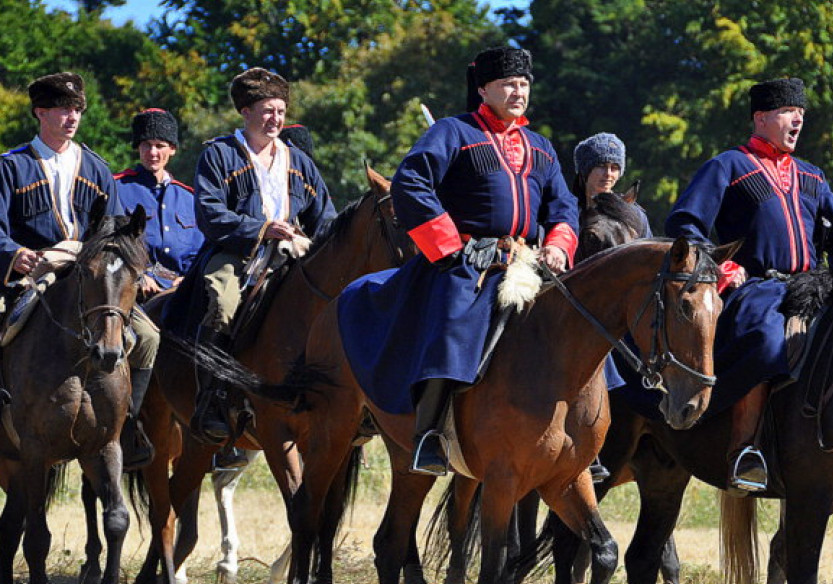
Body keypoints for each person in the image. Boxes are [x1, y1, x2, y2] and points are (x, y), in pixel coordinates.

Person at [337, 46, 579, 475]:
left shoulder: (541, 147)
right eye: (508, 84)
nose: (518, 91)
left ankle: (585, 436)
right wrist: (448, 245)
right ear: (484, 89)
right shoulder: (454, 132)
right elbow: (411, 181)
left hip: (530, 259)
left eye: (523, 84)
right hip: (468, 259)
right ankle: (431, 434)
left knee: (582, 322)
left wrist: (559, 244)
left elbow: (563, 206)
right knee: (454, 319)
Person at [665, 77, 833, 493]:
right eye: (788, 113)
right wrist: (718, 268)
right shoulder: (727, 166)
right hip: (757, 288)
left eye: (801, 114)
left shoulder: (811, 175)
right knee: (767, 344)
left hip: (813, 286)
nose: (798, 120)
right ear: (761, 118)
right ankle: (746, 451)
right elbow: (685, 225)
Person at [0, 71, 159, 470]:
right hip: (29, 273)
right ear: (40, 112)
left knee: (148, 336)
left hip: (88, 276)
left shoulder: (97, 167)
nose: (71, 117)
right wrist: (13, 253)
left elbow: (117, 231)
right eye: (61, 109)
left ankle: (128, 424)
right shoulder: (10, 166)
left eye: (76, 110)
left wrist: (136, 269)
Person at [191, 67, 337, 442]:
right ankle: (213, 396)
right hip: (237, 254)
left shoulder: (299, 161)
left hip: (293, 253)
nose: (276, 119)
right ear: (246, 112)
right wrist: (260, 229)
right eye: (268, 110)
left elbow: (326, 216)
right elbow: (209, 212)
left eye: (281, 111)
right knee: (223, 303)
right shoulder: (219, 154)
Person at [115, 108, 204, 297]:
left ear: (172, 149)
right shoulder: (118, 189)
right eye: (146, 145)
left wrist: (189, 278)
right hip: (134, 292)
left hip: (182, 293)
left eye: (160, 145)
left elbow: (199, 251)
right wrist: (139, 275)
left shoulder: (189, 198)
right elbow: (110, 245)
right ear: (138, 147)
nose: (153, 152)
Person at [572, 132, 652, 236]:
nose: (608, 174)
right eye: (601, 166)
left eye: (614, 168)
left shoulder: (635, 214)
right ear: (585, 171)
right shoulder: (568, 212)